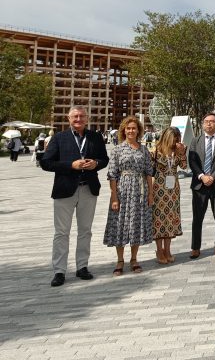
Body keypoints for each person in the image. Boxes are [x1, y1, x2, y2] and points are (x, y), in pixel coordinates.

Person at [41, 105, 109, 287]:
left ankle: (82, 267)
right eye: (75, 116)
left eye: (82, 116)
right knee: (61, 232)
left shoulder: (95, 137)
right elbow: (46, 163)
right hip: (65, 190)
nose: (79, 119)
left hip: (88, 189)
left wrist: (96, 163)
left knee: (85, 231)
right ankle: (59, 271)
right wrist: (71, 165)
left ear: (87, 118)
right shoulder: (59, 138)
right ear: (69, 119)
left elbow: (104, 159)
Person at [103, 116, 153, 275]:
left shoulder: (144, 150)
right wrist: (114, 197)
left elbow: (148, 173)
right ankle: (120, 260)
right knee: (120, 224)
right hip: (122, 191)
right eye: (128, 128)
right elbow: (112, 175)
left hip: (140, 191)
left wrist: (150, 194)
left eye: (134, 128)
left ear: (138, 131)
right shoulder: (117, 149)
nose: (131, 131)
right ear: (123, 130)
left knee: (136, 224)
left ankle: (134, 259)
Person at [187, 113, 215, 259]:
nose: (209, 124)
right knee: (197, 218)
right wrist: (202, 176)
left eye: (212, 121)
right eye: (206, 121)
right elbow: (192, 161)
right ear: (203, 123)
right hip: (200, 185)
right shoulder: (195, 140)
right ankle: (195, 247)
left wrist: (213, 176)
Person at [151, 127, 185, 264]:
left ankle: (168, 250)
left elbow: (184, 166)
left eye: (177, 138)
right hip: (158, 188)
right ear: (166, 137)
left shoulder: (177, 150)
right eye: (173, 138)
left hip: (173, 190)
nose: (175, 141)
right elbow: (148, 170)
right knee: (159, 219)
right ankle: (159, 250)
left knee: (170, 219)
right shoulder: (155, 151)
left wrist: (182, 153)